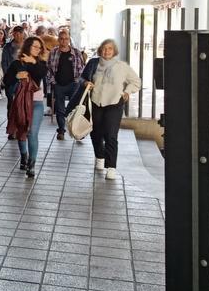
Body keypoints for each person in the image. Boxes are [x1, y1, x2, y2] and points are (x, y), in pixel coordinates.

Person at [84, 39, 142, 181]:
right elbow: (82, 78)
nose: (107, 51)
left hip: (115, 103)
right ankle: (99, 155)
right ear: (100, 50)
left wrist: (127, 91)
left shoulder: (121, 66)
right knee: (95, 133)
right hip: (96, 102)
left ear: (114, 51)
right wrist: (86, 83)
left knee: (111, 135)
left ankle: (111, 167)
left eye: (110, 48)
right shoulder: (93, 64)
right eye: (104, 48)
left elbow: (136, 81)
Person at [7, 37, 47, 178]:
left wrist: (33, 62)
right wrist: (17, 76)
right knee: (22, 130)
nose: (37, 49)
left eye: (39, 47)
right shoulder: (17, 63)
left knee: (32, 133)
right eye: (35, 46)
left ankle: (32, 164)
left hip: (36, 103)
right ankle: (24, 156)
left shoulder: (41, 63)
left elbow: (41, 73)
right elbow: (7, 80)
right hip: (20, 102)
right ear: (28, 47)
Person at [47, 31, 87, 141]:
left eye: (66, 38)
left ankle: (77, 131)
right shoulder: (53, 52)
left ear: (69, 40)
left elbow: (81, 69)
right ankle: (61, 131)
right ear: (58, 40)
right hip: (59, 85)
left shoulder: (76, 52)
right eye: (61, 38)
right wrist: (53, 81)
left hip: (73, 84)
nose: (64, 41)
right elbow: (49, 69)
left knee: (75, 108)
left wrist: (77, 80)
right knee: (60, 109)